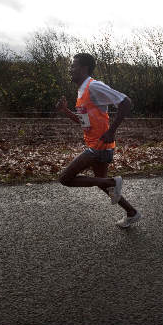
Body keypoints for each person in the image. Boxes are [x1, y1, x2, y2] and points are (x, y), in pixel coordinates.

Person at [56, 53, 142, 228]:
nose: (70, 69)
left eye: (73, 66)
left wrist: (112, 131)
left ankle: (112, 182)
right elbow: (83, 121)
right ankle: (131, 212)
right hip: (96, 144)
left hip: (100, 146)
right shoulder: (82, 91)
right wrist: (65, 111)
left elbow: (126, 102)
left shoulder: (94, 86)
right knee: (102, 183)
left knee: (65, 178)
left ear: (84, 68)